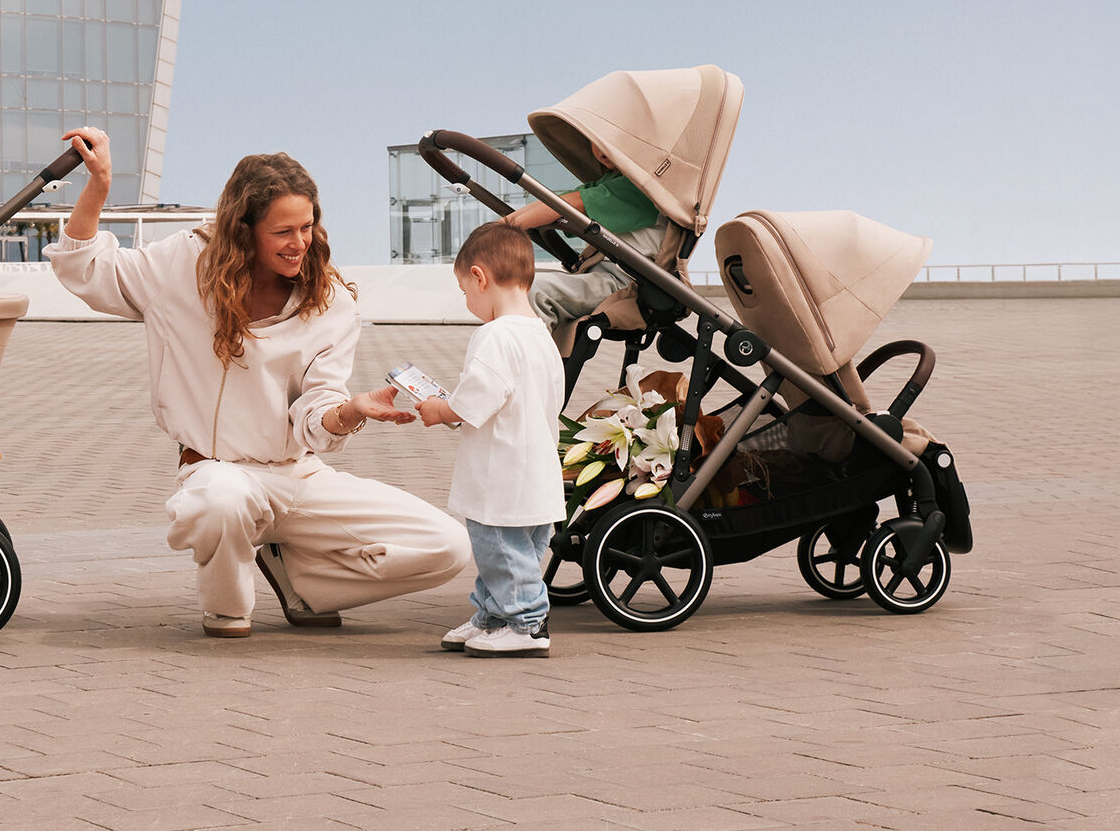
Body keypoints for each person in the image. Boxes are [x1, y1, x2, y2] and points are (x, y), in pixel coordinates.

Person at [45, 126, 473, 639]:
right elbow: (83, 268)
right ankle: (227, 608)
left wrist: (354, 409)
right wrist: (100, 183)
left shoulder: (331, 301)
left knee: (448, 547)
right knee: (221, 502)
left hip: (299, 478)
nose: (299, 244)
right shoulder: (181, 263)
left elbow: (317, 413)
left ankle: (306, 582)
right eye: (283, 232)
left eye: (307, 227)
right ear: (244, 229)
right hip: (216, 473)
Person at [412, 221, 566, 658]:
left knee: (500, 550)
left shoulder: (495, 335)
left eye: (464, 291)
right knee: (515, 556)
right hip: (536, 472)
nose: (467, 302)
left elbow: (477, 398)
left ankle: (528, 623)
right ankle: (495, 615)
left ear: (479, 277)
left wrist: (439, 408)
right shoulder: (542, 335)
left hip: (502, 475)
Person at [502, 141, 672, 346]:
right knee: (517, 282)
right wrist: (504, 224)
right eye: (592, 142)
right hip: (602, 277)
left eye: (606, 141)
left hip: (627, 285)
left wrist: (502, 228)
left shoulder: (642, 188)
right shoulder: (610, 181)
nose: (600, 150)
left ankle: (532, 367)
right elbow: (557, 201)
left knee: (532, 291)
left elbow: (573, 204)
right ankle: (516, 360)